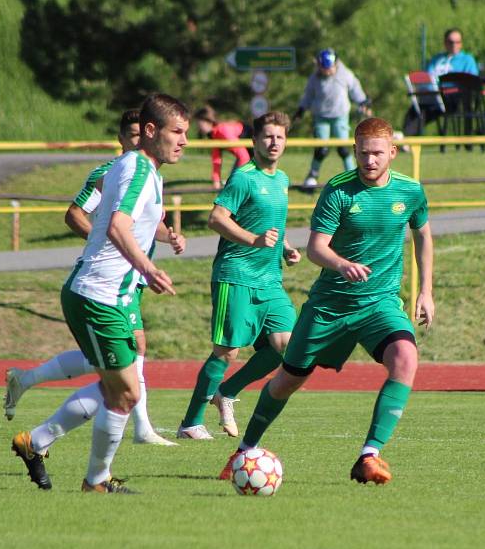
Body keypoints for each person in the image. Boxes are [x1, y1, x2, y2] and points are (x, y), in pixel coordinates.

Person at [221, 117, 434, 485]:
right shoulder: (338, 190)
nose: (369, 161)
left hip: (379, 305)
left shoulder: (410, 192)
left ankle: (369, 455)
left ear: (393, 153)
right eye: (363, 153)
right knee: (287, 381)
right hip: (329, 307)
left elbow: (424, 236)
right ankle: (245, 449)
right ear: (354, 151)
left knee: (406, 358)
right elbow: (316, 248)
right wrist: (342, 264)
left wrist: (426, 291)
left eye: (377, 154)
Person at [11, 93, 190, 493]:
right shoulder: (139, 170)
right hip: (98, 295)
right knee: (126, 391)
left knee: (120, 388)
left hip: (113, 296)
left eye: (186, 133)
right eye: (176, 131)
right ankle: (95, 480)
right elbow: (115, 226)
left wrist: (162, 241)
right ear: (149, 131)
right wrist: (149, 267)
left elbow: (130, 223)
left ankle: (36, 442)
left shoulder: (146, 170)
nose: (183, 141)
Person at [178, 111, 301, 440]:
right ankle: (191, 422)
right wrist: (254, 241)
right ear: (254, 141)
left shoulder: (283, 180)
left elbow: (271, 224)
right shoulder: (244, 177)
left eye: (280, 137)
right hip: (237, 274)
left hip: (269, 279)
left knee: (287, 344)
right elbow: (216, 218)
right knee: (227, 350)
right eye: (267, 136)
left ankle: (227, 391)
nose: (274, 143)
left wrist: (286, 246)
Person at [294, 48, 372, 191]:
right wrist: (301, 110)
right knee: (321, 149)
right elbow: (308, 96)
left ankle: (353, 176)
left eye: (329, 68)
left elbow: (355, 88)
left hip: (340, 116)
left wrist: (363, 101)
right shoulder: (315, 78)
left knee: (343, 148)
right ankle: (312, 176)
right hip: (321, 116)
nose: (327, 71)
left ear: (336, 64)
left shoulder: (345, 74)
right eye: (323, 68)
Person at [402, 28, 479, 137]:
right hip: (434, 95)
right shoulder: (436, 59)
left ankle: (406, 140)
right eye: (451, 42)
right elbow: (427, 78)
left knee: (428, 108)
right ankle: (405, 140)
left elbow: (471, 80)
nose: (454, 45)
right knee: (416, 109)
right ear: (445, 43)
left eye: (457, 42)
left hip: (454, 97)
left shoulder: (467, 60)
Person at [194, 105, 251, 189]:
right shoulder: (214, 134)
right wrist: (216, 180)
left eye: (199, 123)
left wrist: (236, 179)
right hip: (248, 153)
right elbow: (216, 159)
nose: (198, 126)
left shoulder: (222, 130)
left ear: (207, 121)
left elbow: (244, 156)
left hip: (255, 150)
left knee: (235, 183)